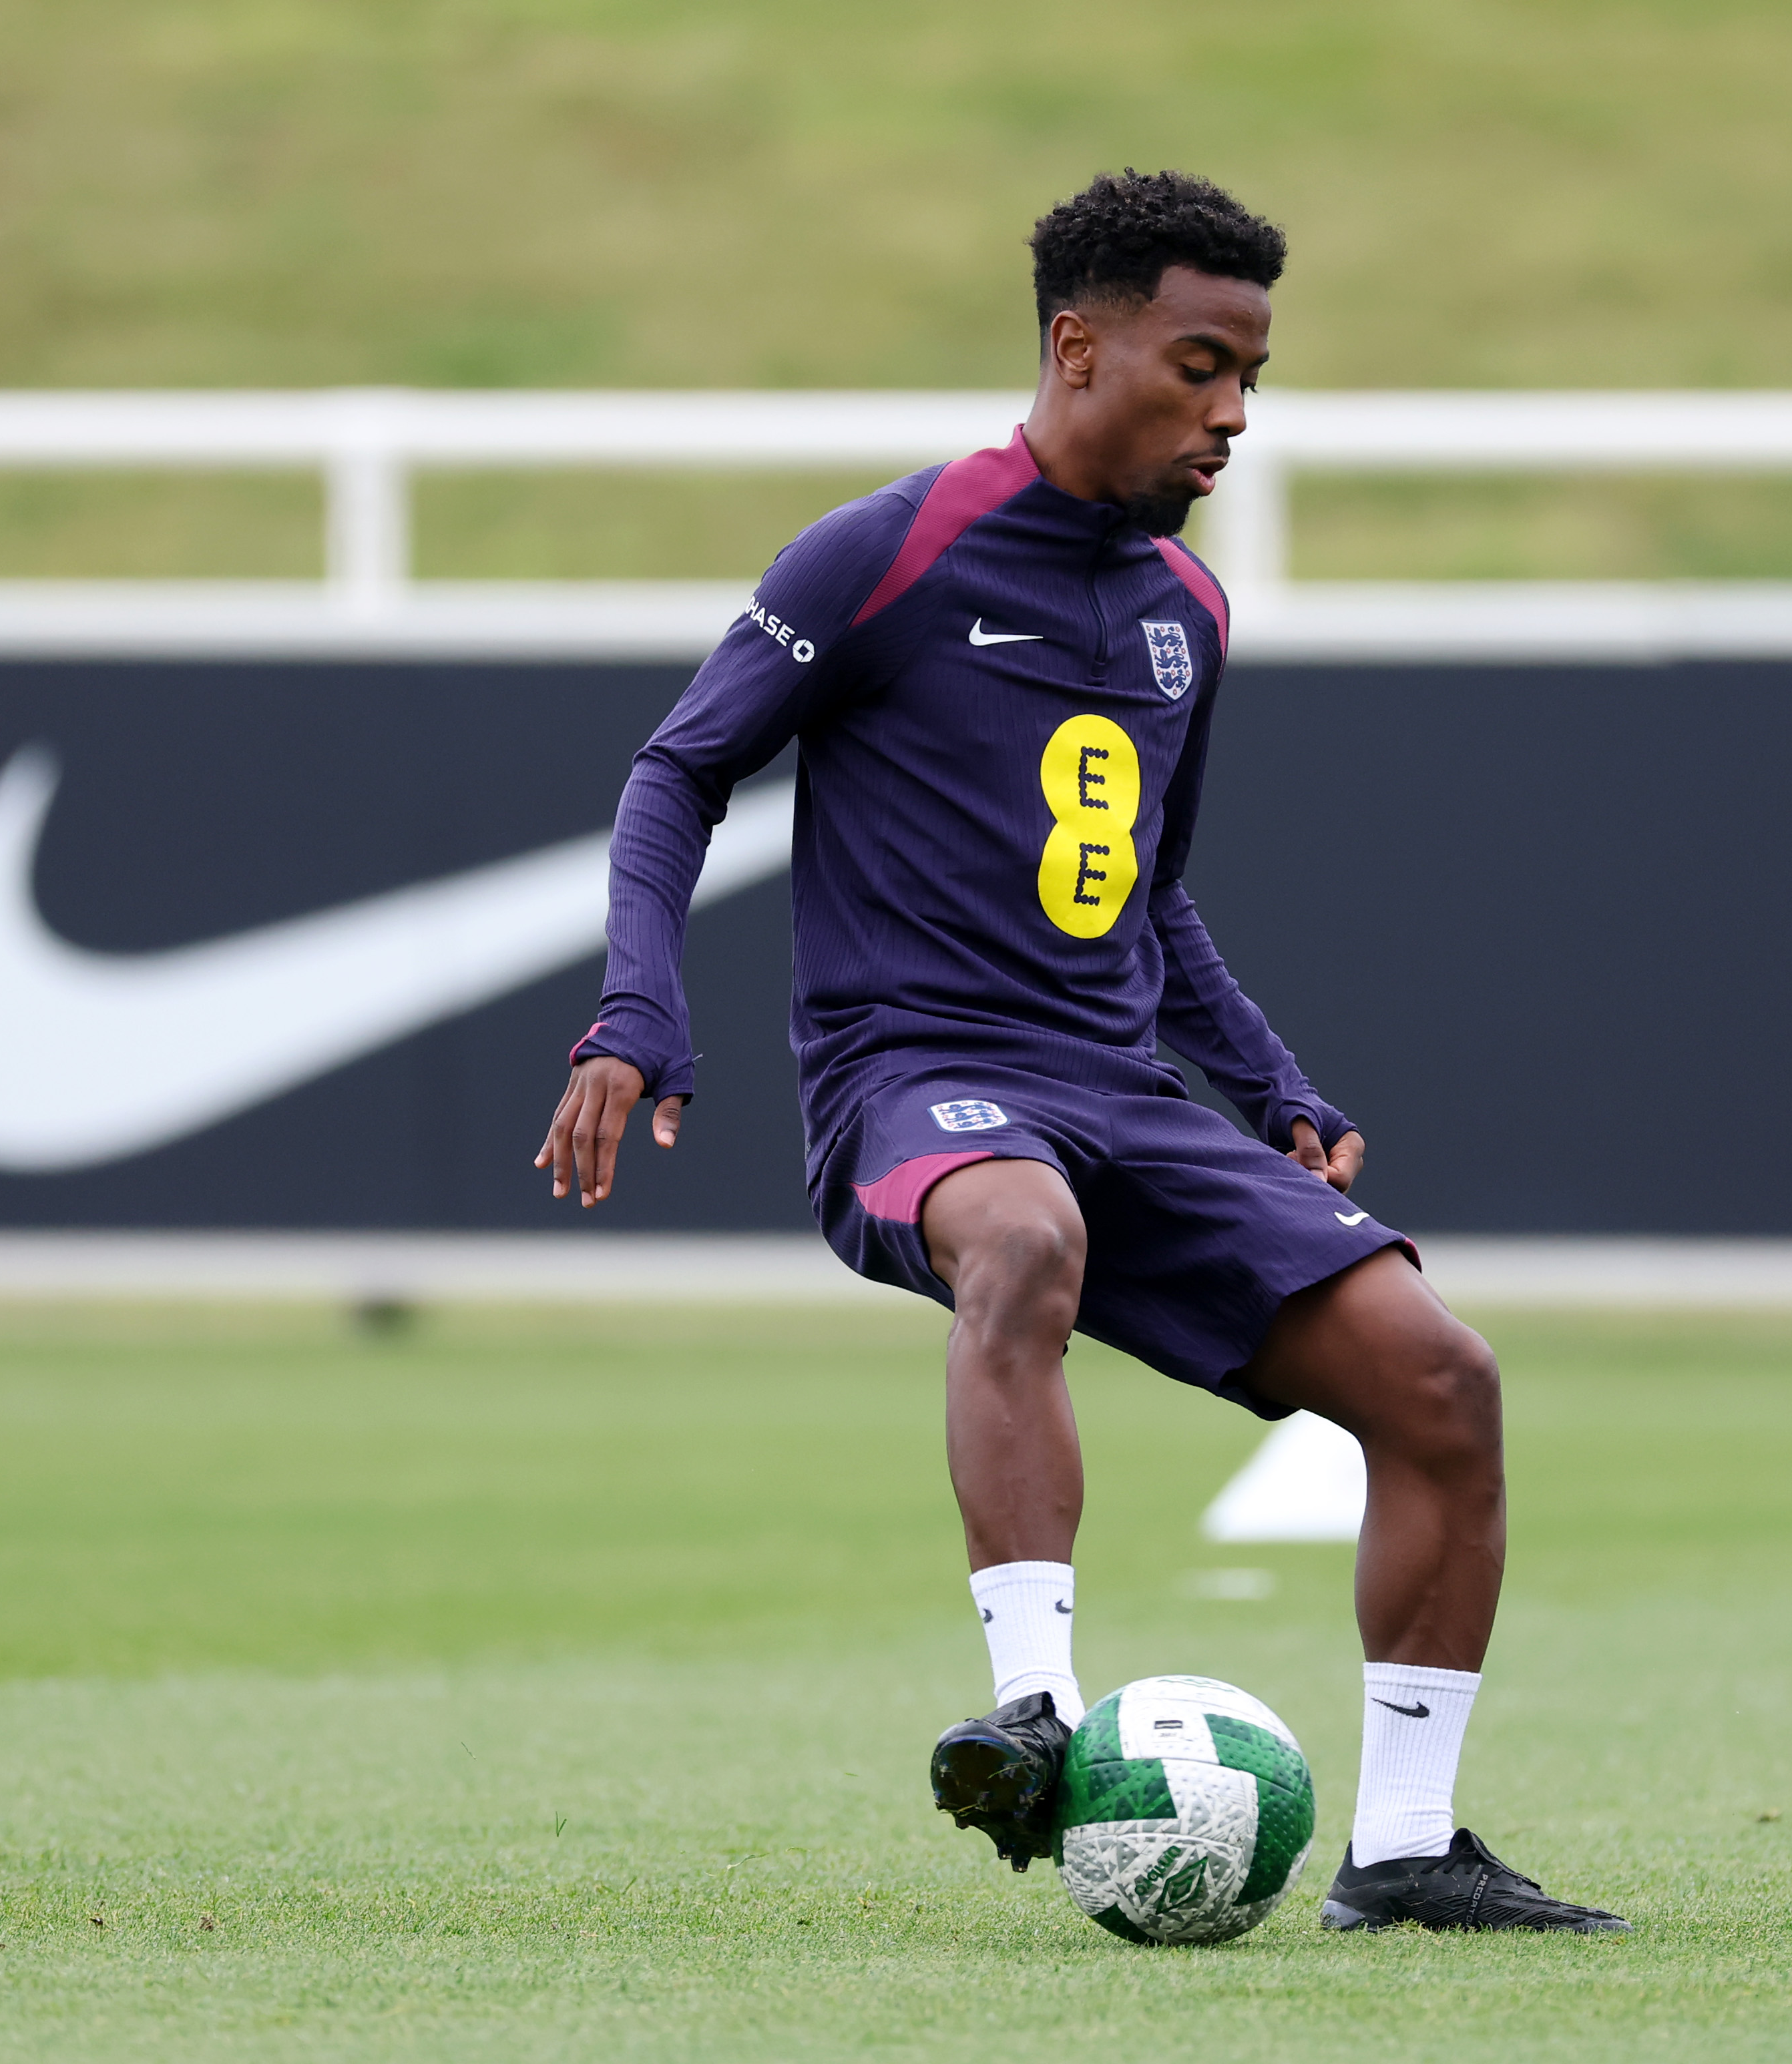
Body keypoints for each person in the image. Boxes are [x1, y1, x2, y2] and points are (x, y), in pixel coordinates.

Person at [537, 169, 1626, 1935]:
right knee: (1023, 1235)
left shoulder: (1188, 613)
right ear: (1077, 345)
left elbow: (1148, 897)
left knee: (1443, 1378)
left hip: (1122, 1090)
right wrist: (640, 1007)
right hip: (916, 1075)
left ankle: (1410, 1848)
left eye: (1254, 374)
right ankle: (1034, 1717)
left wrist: (1269, 1080)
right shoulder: (888, 550)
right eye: (1202, 367)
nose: (1236, 412)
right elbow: (678, 773)